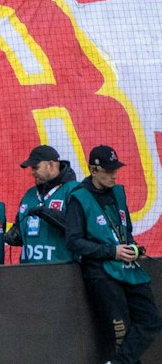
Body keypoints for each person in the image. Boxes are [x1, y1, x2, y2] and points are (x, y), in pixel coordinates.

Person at [64, 145, 160, 364]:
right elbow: (74, 242)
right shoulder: (79, 197)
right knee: (121, 331)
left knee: (151, 320)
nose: (114, 175)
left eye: (115, 169)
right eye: (108, 170)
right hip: (101, 272)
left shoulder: (118, 192)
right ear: (93, 170)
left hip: (128, 267)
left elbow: (124, 228)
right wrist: (112, 251)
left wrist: (131, 248)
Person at [6, 144, 77, 266]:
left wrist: (46, 213)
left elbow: (77, 227)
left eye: (35, 167)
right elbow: (20, 223)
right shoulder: (29, 194)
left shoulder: (73, 190)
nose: (32, 172)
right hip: (29, 271)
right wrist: (16, 233)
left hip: (63, 270)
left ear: (50, 165)